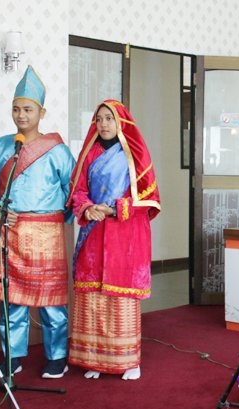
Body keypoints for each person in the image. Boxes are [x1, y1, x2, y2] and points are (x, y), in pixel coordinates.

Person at [0, 65, 76, 379]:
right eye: (16, 109)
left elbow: (72, 190)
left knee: (52, 301)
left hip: (47, 234)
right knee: (12, 302)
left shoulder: (58, 151)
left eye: (28, 109)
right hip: (10, 232)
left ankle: (57, 357)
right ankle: (13, 357)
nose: (21, 115)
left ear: (41, 112)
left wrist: (56, 217)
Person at [67, 100, 161, 380]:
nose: (104, 124)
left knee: (120, 298)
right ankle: (95, 360)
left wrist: (114, 208)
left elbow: (148, 199)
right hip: (93, 233)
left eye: (109, 118)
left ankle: (129, 362)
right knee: (93, 298)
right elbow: (77, 191)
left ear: (121, 122)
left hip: (125, 235)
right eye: (99, 119)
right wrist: (87, 208)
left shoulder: (135, 154)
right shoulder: (89, 154)